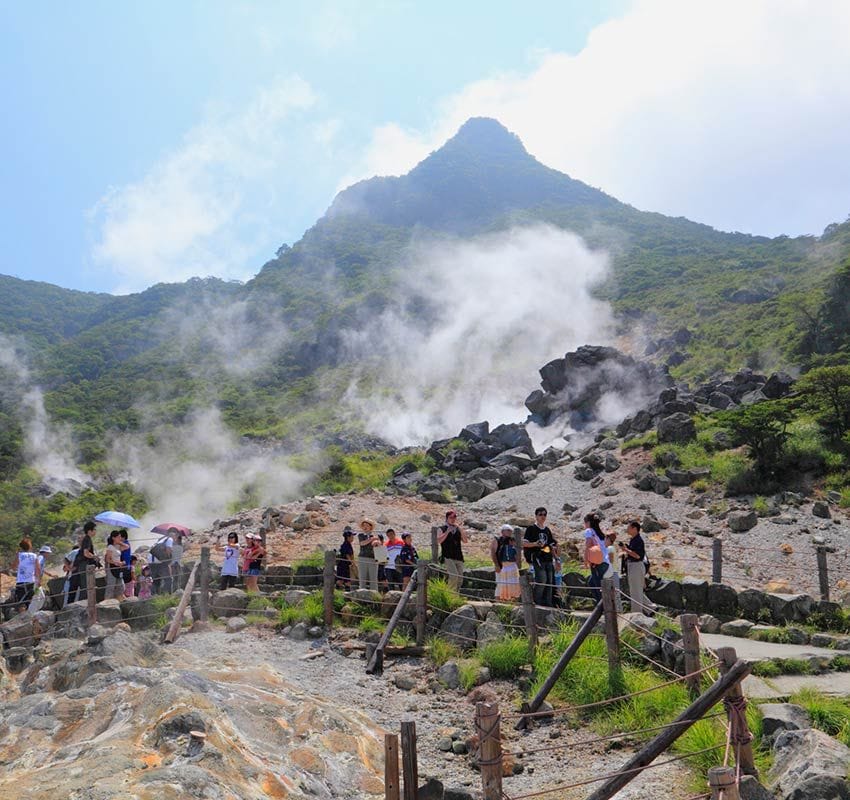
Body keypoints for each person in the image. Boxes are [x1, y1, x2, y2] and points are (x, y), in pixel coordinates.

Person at [620, 520, 657, 615]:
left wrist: (626, 550)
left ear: (634, 529)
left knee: (635, 591)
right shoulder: (633, 540)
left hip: (636, 566)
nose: (627, 529)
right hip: (634, 566)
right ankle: (651, 608)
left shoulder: (638, 541)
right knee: (636, 589)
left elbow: (637, 556)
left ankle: (636, 613)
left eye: (629, 527)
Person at [523, 507, 557, 607]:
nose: (543, 516)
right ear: (536, 516)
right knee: (542, 580)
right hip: (538, 558)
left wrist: (557, 559)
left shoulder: (547, 530)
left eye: (544, 514)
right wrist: (535, 544)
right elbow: (524, 544)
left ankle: (548, 603)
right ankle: (537, 601)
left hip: (548, 558)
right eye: (540, 514)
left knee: (550, 582)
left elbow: (551, 545)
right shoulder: (531, 529)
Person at [438, 510, 467, 591]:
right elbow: (439, 540)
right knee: (454, 576)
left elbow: (465, 540)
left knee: (460, 578)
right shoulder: (442, 529)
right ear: (447, 518)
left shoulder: (457, 529)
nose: (453, 519)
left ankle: (456, 595)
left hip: (458, 556)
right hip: (448, 556)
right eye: (451, 517)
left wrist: (460, 528)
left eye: (454, 517)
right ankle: (450, 594)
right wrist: (447, 532)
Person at [69, 521, 98, 602]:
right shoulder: (87, 539)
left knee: (82, 585)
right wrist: (94, 557)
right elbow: (86, 553)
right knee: (85, 585)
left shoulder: (87, 539)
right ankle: (84, 603)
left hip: (80, 564)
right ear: (90, 531)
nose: (95, 531)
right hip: (83, 564)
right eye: (94, 529)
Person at [583, 513, 610, 597]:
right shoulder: (601, 533)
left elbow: (588, 544)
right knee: (592, 582)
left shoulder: (589, 531)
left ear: (588, 522)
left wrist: (586, 558)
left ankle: (602, 607)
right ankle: (601, 605)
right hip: (605, 562)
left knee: (597, 586)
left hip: (596, 562)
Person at [492, 524, 520, 601]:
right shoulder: (497, 540)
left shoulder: (512, 541)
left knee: (513, 583)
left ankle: (511, 601)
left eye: (510, 530)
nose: (509, 532)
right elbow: (493, 553)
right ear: (502, 531)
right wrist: (497, 565)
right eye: (507, 530)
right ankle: (498, 601)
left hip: (512, 565)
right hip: (501, 565)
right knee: (500, 584)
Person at [13, 537, 41, 606]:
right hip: (31, 581)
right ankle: (28, 615)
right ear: (30, 547)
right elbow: (38, 569)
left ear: (21, 547)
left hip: (21, 581)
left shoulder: (19, 555)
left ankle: (22, 615)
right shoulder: (34, 556)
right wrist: (38, 580)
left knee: (20, 602)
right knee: (29, 601)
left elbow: (14, 567)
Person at [357, 519, 379, 592]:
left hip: (373, 558)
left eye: (367, 525)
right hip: (362, 557)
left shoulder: (376, 536)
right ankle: (361, 593)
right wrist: (372, 539)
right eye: (363, 526)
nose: (365, 527)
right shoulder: (361, 535)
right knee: (362, 577)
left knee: (373, 578)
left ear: (370, 527)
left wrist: (377, 542)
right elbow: (362, 543)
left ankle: (374, 595)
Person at [149, 530, 174, 595]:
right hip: (160, 561)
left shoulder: (161, 539)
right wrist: (169, 559)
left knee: (156, 580)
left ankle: (154, 595)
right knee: (168, 579)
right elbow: (168, 549)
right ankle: (167, 595)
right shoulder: (170, 539)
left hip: (151, 560)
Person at [118, 530, 134, 598]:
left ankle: (126, 597)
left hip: (125, 566)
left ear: (123, 537)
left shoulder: (125, 544)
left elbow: (119, 550)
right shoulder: (126, 543)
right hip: (126, 566)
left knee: (124, 583)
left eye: (119, 536)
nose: (118, 538)